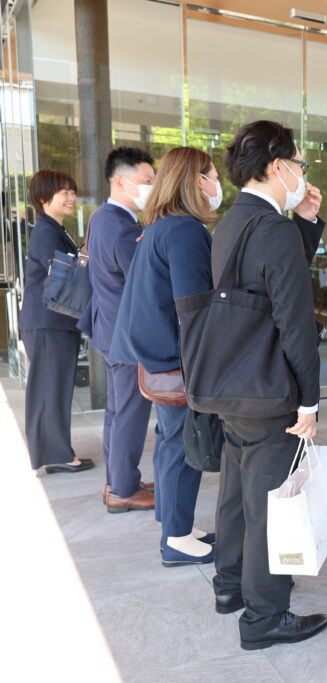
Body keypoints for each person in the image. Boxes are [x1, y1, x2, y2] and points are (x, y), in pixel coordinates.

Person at [209, 120, 327, 651]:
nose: (302, 173)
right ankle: (264, 618)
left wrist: (305, 224)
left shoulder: (234, 222)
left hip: (233, 382)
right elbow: (294, 322)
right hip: (269, 388)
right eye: (300, 164)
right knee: (270, 507)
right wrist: (309, 400)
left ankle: (230, 585)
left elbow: (264, 283)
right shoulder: (272, 228)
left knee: (238, 494)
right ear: (278, 166)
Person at [109, 147, 219, 564]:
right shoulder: (185, 230)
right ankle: (175, 537)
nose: (216, 185)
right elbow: (193, 308)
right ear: (195, 181)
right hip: (175, 359)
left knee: (171, 442)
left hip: (159, 356)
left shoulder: (161, 225)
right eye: (211, 176)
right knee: (179, 446)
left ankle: (176, 526)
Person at [86, 147, 157, 512]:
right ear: (120, 181)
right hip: (126, 338)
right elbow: (144, 284)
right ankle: (123, 490)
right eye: (147, 180)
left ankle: (118, 480)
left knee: (117, 412)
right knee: (130, 413)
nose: (152, 187)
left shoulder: (101, 217)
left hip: (108, 330)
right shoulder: (122, 229)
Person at [19, 170, 91, 473]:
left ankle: (55, 452)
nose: (72, 197)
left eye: (72, 191)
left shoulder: (55, 230)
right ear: (43, 198)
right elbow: (65, 277)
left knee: (53, 388)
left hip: (53, 322)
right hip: (48, 322)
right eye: (64, 192)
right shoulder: (47, 232)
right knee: (50, 390)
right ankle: (57, 455)